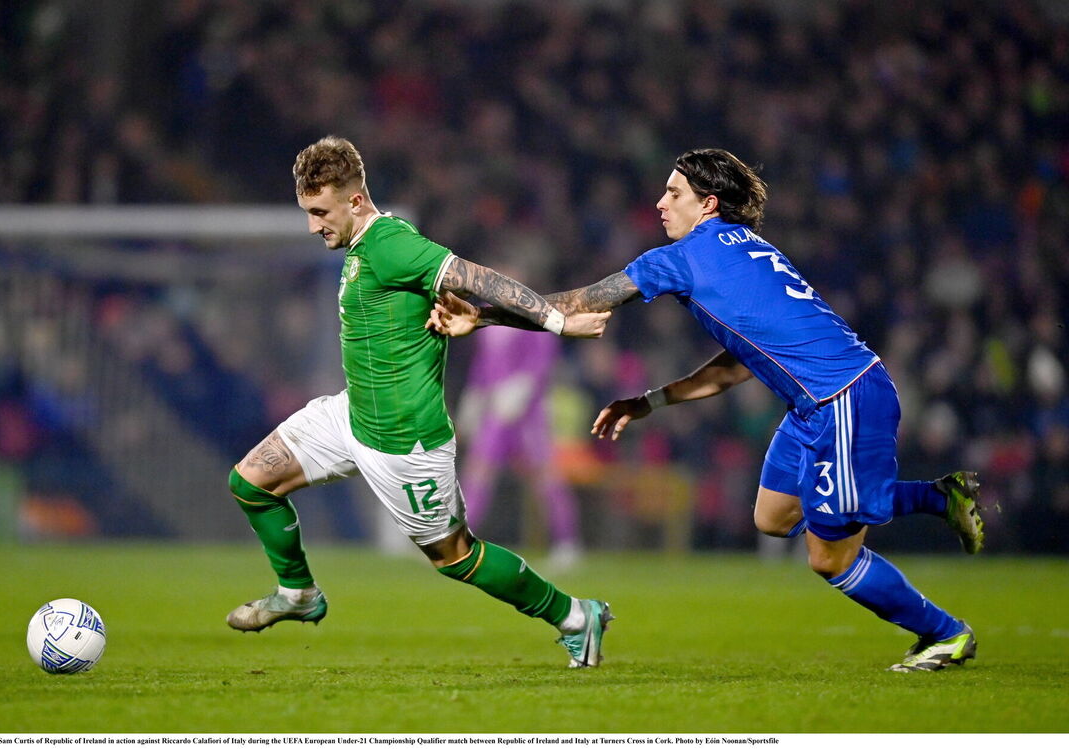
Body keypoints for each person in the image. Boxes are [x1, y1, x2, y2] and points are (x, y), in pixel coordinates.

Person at [429, 148, 986, 672]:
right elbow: (739, 362)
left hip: (842, 398)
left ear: (707, 203)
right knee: (773, 518)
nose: (660, 203)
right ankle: (939, 496)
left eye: (673, 193)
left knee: (829, 556)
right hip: (814, 404)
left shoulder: (682, 258)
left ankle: (945, 632)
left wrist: (481, 315)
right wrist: (651, 400)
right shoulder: (748, 247)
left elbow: (577, 304)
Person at [224, 135, 614, 668]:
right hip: (352, 414)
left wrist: (557, 323)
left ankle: (576, 616)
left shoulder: (388, 243)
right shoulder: (364, 246)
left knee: (456, 558)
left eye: (319, 212)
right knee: (250, 481)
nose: (313, 225)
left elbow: (481, 279)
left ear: (355, 200)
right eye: (307, 212)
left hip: (404, 440)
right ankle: (298, 594)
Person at [458, 321, 583, 569]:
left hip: (528, 413)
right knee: (477, 472)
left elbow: (544, 357)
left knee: (545, 477)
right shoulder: (487, 311)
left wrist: (524, 386)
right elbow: (484, 360)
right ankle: (458, 541)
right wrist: (474, 394)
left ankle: (567, 543)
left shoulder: (530, 308)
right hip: (496, 411)